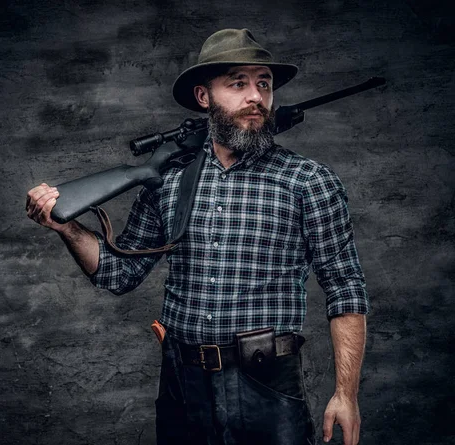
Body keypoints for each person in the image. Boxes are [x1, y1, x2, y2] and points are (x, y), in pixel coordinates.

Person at [26, 28, 369, 445]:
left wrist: (345, 394)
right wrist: (66, 226)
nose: (255, 96)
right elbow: (119, 273)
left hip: (267, 385)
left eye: (264, 83)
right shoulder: (170, 180)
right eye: (238, 83)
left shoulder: (308, 181)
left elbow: (345, 287)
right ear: (204, 97)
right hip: (182, 385)